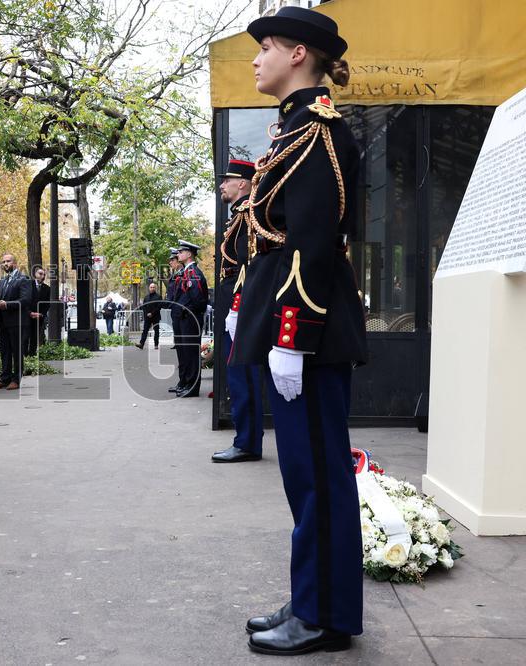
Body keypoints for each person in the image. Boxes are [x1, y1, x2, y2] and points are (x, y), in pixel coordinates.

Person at [233, 6, 366, 655]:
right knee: (304, 475)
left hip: (307, 334)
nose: (257, 60)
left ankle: (325, 616)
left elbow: (312, 245)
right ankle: (314, 596)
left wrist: (292, 335)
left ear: (297, 55)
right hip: (297, 331)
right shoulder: (294, 130)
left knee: (318, 476)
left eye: (266, 47)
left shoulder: (317, 133)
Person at [212, 159, 265, 463]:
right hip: (234, 302)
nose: (222, 185)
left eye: (227, 180)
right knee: (238, 375)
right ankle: (246, 439)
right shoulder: (239, 216)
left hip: (239, 306)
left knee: (242, 375)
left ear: (242, 183)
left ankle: (246, 442)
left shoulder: (247, 215)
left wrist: (237, 308)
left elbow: (248, 266)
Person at [173, 240, 208, 398]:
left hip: (190, 318)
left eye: (181, 252)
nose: (178, 254)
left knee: (191, 354)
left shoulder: (193, 273)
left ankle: (192, 387)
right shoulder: (187, 272)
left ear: (189, 254)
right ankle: (187, 383)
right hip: (185, 318)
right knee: (186, 354)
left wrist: (189, 312)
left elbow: (198, 300)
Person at [0, 253, 32, 390]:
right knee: (5, 351)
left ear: (15, 263)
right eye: (4, 261)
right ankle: (5, 378)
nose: (5, 264)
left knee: (17, 351)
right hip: (3, 322)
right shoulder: (2, 281)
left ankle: (16, 380)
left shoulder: (23, 279)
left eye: (8, 261)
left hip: (17, 322)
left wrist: (7, 305)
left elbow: (26, 300)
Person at [25, 266, 51, 355]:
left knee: (35, 336)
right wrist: (29, 313)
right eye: (40, 274)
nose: (42, 276)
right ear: (35, 274)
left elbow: (47, 304)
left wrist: (41, 314)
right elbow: (24, 300)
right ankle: (24, 355)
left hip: (39, 317)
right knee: (25, 336)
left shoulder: (47, 288)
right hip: (27, 315)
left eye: (44, 275)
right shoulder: (28, 285)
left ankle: (32, 354)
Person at [135, 282, 163, 350]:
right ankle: (141, 344)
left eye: (153, 287)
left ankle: (156, 344)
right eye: (151, 287)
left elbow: (159, 307)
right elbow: (144, 307)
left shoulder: (158, 297)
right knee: (145, 330)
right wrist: (147, 314)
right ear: (149, 288)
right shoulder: (146, 297)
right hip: (147, 317)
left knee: (156, 331)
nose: (152, 288)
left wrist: (152, 313)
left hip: (156, 316)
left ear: (155, 288)